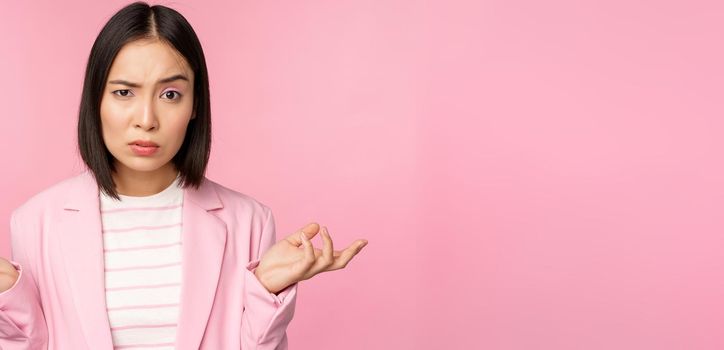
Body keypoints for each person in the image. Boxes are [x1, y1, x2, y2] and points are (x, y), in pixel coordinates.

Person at [0, 2, 368, 349]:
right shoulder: (35, 223)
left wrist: (266, 294)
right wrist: (7, 302)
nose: (146, 119)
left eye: (171, 94)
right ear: (96, 100)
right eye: (124, 92)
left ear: (195, 105)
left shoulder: (249, 221)